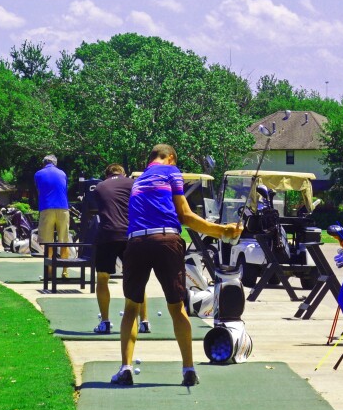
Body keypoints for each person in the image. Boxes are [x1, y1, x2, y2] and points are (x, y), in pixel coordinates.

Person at [111, 144, 242, 387]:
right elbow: (186, 216)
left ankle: (126, 368)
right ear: (170, 158)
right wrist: (222, 231)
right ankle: (188, 370)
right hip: (166, 241)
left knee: (131, 308)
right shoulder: (172, 171)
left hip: (137, 242)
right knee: (177, 307)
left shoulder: (137, 180)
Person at [92, 163, 149, 334]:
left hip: (107, 235)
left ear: (106, 174)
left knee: (102, 278)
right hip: (130, 235)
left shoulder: (99, 187)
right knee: (137, 279)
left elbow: (98, 208)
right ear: (123, 173)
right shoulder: (133, 184)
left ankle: (105, 322)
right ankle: (144, 322)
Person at [35, 154, 70, 276]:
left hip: (47, 207)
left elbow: (39, 190)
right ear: (55, 163)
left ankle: (49, 271)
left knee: (48, 242)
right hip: (63, 207)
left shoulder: (38, 174)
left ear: (44, 163)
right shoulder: (63, 173)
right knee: (64, 241)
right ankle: (65, 271)